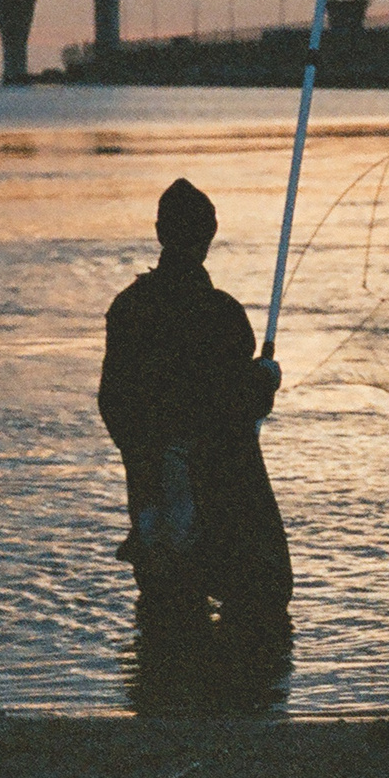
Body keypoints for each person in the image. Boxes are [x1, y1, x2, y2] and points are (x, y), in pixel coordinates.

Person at [99, 179, 291, 619]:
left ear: (159, 232)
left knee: (166, 616)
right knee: (259, 602)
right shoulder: (222, 314)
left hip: (149, 494)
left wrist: (144, 454)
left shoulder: (127, 309)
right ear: (209, 237)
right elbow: (236, 404)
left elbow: (113, 405)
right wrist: (266, 379)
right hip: (215, 499)